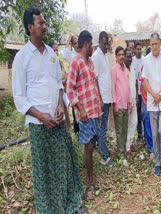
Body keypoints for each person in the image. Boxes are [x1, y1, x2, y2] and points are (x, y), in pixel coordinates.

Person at [12, 8, 84, 213]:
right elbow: (19, 97)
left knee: (65, 164)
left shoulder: (52, 54)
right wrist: (41, 116)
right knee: (44, 171)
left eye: (44, 23)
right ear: (30, 27)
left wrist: (61, 105)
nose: (44, 26)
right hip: (38, 125)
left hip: (58, 120)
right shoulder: (22, 58)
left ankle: (72, 203)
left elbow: (59, 84)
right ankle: (49, 209)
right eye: (40, 23)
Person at [67, 30, 104, 199]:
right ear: (86, 44)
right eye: (91, 44)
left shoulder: (90, 63)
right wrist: (80, 109)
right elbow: (70, 89)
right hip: (85, 114)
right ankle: (89, 185)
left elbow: (94, 85)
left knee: (92, 146)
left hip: (95, 112)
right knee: (88, 148)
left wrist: (101, 104)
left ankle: (92, 179)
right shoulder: (76, 62)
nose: (92, 48)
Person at [141, 32, 161, 176]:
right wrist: (153, 94)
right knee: (154, 133)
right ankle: (158, 162)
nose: (154, 46)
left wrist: (159, 94)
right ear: (150, 45)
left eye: (156, 44)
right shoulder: (146, 60)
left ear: (160, 44)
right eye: (152, 44)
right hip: (152, 103)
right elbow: (145, 81)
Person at [91, 31, 115, 166]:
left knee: (102, 127)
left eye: (108, 43)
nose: (107, 45)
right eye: (105, 43)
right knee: (102, 128)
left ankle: (101, 151)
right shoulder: (96, 57)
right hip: (102, 99)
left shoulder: (106, 55)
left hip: (107, 97)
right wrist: (99, 100)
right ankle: (104, 156)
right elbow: (95, 80)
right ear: (100, 41)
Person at [111, 46, 133, 166]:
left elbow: (128, 87)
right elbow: (113, 88)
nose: (121, 57)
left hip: (126, 104)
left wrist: (130, 100)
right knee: (119, 131)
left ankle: (123, 151)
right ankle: (120, 154)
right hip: (118, 105)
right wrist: (114, 104)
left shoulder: (125, 70)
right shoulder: (114, 70)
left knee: (125, 129)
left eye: (122, 55)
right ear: (116, 56)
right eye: (119, 55)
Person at [48, 41, 71, 131]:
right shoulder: (48, 64)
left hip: (64, 92)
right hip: (55, 93)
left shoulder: (60, 62)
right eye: (54, 50)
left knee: (66, 112)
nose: (56, 52)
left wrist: (65, 79)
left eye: (57, 50)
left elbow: (65, 74)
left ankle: (67, 131)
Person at [140, 47, 154, 157]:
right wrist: (146, 100)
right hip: (147, 101)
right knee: (148, 123)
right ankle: (150, 147)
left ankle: (153, 145)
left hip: (155, 100)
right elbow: (143, 86)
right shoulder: (144, 68)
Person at [124, 47, 138, 153]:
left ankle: (131, 142)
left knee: (135, 122)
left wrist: (137, 96)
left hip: (133, 99)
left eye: (130, 56)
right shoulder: (122, 69)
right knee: (127, 124)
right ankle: (127, 147)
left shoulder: (132, 68)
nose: (130, 58)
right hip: (126, 102)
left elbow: (135, 82)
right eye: (127, 56)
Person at [133, 42, 144, 140]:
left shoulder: (145, 60)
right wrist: (136, 95)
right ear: (134, 50)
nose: (139, 51)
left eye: (140, 49)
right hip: (136, 93)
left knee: (144, 114)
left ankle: (146, 134)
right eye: (137, 49)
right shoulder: (132, 61)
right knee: (137, 115)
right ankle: (139, 134)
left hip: (145, 93)